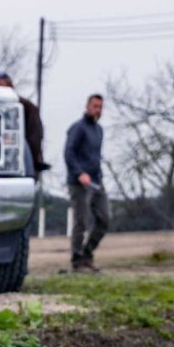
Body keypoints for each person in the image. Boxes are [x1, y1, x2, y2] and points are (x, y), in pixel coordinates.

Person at [62, 93, 110, 272]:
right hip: (79, 183)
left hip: (96, 182)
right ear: (87, 107)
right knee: (81, 222)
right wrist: (79, 173)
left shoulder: (99, 130)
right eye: (95, 106)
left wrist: (98, 176)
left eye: (100, 107)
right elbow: (69, 153)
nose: (98, 110)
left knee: (104, 219)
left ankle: (87, 255)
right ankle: (77, 261)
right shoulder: (78, 128)